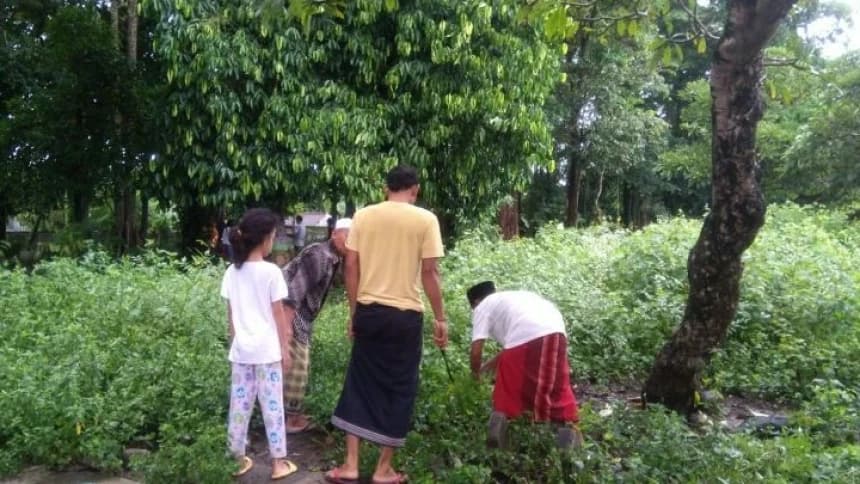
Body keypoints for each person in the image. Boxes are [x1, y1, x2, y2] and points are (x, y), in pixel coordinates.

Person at [324, 166, 448, 484]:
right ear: (415, 189)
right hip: (406, 316)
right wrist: (441, 317)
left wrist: (355, 311)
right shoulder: (425, 220)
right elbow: (430, 272)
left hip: (370, 311)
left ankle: (350, 465)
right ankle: (383, 469)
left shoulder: (364, 216)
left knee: (359, 380)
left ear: (385, 188)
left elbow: (351, 265)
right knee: (400, 386)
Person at [220, 208, 298, 480]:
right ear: (265, 239)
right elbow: (279, 316)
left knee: (239, 408)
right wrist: (286, 350)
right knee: (273, 407)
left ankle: (237, 459)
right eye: (274, 236)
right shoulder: (271, 272)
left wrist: (234, 344)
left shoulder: (232, 272)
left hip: (241, 352)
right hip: (267, 353)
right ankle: (278, 464)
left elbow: (231, 317)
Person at [467, 281, 582, 450]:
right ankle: (566, 430)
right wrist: (485, 368)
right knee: (554, 383)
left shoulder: (482, 307)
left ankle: (501, 434)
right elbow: (511, 348)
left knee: (509, 387)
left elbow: (476, 351)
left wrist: (475, 375)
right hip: (556, 330)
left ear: (475, 302)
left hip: (530, 335)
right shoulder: (511, 299)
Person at [281, 218, 352, 434]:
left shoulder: (333, 258)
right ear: (334, 234)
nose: (351, 242)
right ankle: (290, 421)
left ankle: (290, 414)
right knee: (297, 367)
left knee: (297, 365)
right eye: (348, 236)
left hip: (301, 315)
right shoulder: (319, 256)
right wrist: (286, 329)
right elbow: (292, 293)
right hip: (291, 313)